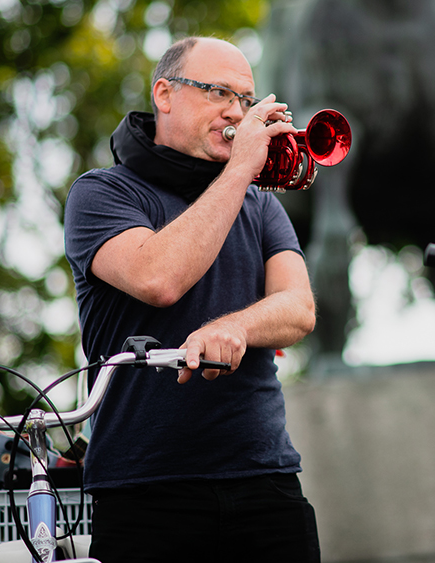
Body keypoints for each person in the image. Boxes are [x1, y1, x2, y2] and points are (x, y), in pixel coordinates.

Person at [63, 36, 320, 562]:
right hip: (144, 492)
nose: (236, 113)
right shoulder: (102, 193)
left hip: (265, 480)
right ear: (164, 94)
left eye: (245, 100)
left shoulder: (260, 203)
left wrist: (239, 329)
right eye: (219, 92)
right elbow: (160, 277)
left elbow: (299, 308)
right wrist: (240, 171)